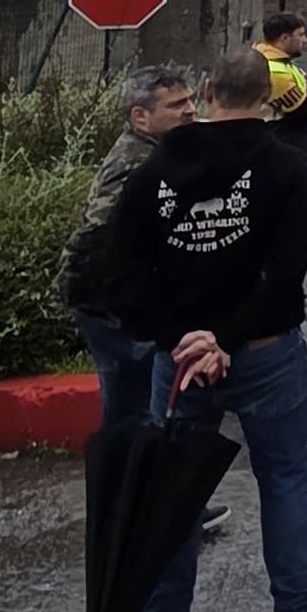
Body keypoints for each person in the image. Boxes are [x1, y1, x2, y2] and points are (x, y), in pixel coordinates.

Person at [104, 48, 307, 612]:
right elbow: (284, 277)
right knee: (284, 480)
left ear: (209, 91)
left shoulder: (154, 169)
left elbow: (123, 277)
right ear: (269, 98)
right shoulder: (288, 168)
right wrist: (224, 338)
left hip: (179, 360)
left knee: (176, 493)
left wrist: (185, 338)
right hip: (265, 353)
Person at [63, 64, 195, 429]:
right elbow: (101, 236)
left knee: (139, 404)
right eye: (176, 105)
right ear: (140, 116)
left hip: (121, 302)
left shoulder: (158, 151)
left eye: (190, 100)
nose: (190, 110)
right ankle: (123, 478)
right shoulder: (136, 163)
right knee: (132, 412)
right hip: (111, 306)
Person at [253, 12, 307, 154]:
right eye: (300, 35)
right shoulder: (275, 72)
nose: (305, 39)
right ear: (285, 38)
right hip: (284, 147)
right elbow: (306, 112)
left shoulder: (281, 61)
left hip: (290, 146)